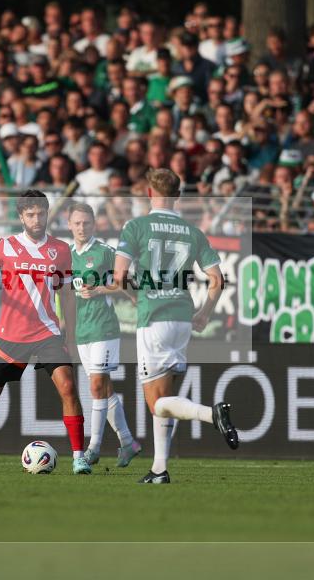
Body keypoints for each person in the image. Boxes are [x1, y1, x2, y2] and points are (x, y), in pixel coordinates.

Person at [112, 168, 237, 484]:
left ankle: (210, 413)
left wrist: (134, 297)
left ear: (149, 193)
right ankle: (159, 469)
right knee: (164, 397)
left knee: (156, 403)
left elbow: (119, 275)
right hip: (182, 316)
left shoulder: (136, 227)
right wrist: (204, 313)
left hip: (153, 317)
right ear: (178, 196)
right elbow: (217, 280)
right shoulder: (192, 232)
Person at [0, 190, 91, 475]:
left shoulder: (61, 250)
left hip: (47, 333)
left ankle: (79, 457)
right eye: (30, 214)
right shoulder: (6, 246)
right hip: (10, 337)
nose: (36, 219)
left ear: (47, 214)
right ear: (21, 217)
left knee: (68, 387)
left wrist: (71, 335)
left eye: (41, 213)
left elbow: (67, 294)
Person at [67, 202, 141, 467]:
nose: (82, 227)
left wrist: (101, 289)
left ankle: (93, 448)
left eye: (86, 223)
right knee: (104, 388)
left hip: (104, 327)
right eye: (77, 223)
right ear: (69, 225)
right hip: (82, 330)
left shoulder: (105, 252)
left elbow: (127, 282)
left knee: (96, 386)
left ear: (94, 224)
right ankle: (128, 442)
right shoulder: (66, 255)